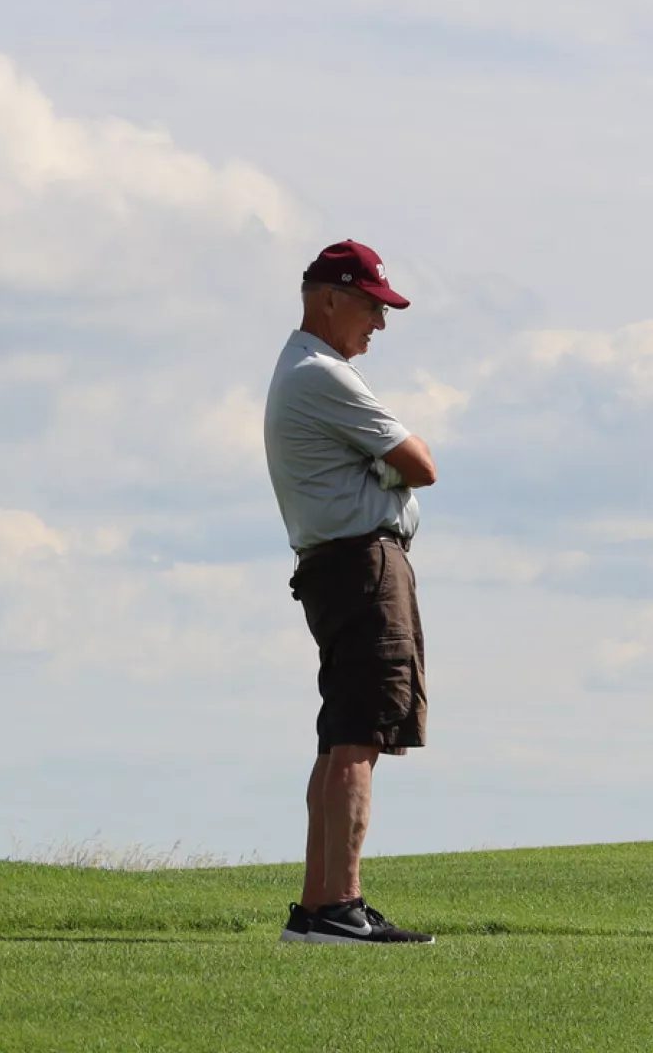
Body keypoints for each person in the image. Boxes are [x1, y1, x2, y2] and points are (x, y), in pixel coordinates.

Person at [264, 240, 440, 946]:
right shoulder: (323, 375)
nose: (380, 324)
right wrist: (387, 474)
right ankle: (340, 906)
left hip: (337, 566)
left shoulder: (303, 370)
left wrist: (380, 472)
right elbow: (421, 465)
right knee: (360, 733)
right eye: (372, 306)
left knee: (341, 734)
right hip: (362, 567)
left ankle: (319, 908)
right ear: (329, 296)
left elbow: (396, 468)